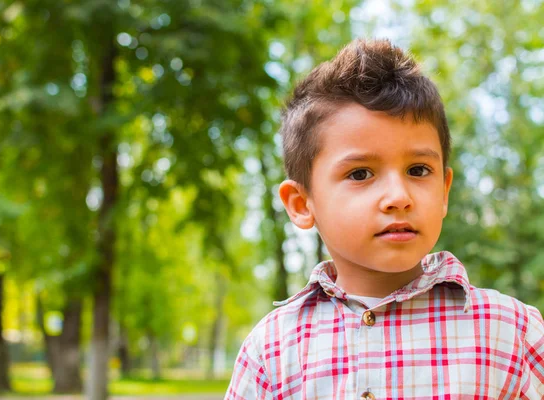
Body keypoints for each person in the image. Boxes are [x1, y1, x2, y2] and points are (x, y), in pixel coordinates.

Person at [224, 38, 544, 399]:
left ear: (444, 190)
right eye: (361, 174)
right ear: (301, 203)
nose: (398, 197)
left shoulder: (513, 333)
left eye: (419, 170)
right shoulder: (272, 351)